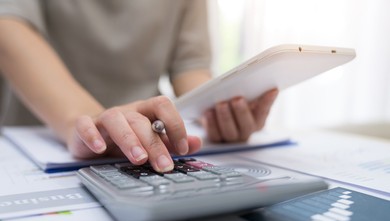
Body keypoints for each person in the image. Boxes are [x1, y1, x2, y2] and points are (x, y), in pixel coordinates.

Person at [0, 0, 277, 173]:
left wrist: (219, 109)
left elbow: (189, 66)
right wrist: (84, 122)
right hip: (43, 137)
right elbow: (8, 24)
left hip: (147, 140)